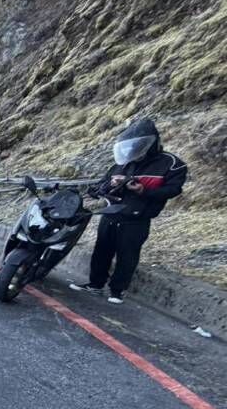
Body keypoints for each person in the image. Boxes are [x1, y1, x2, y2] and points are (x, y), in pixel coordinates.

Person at [70, 118, 187, 303]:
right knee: (101, 250)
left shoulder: (172, 163)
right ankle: (95, 284)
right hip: (111, 213)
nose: (135, 150)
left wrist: (143, 190)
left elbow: (173, 190)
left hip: (137, 218)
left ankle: (117, 290)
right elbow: (101, 184)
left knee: (127, 255)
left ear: (151, 143)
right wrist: (110, 184)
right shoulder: (124, 161)